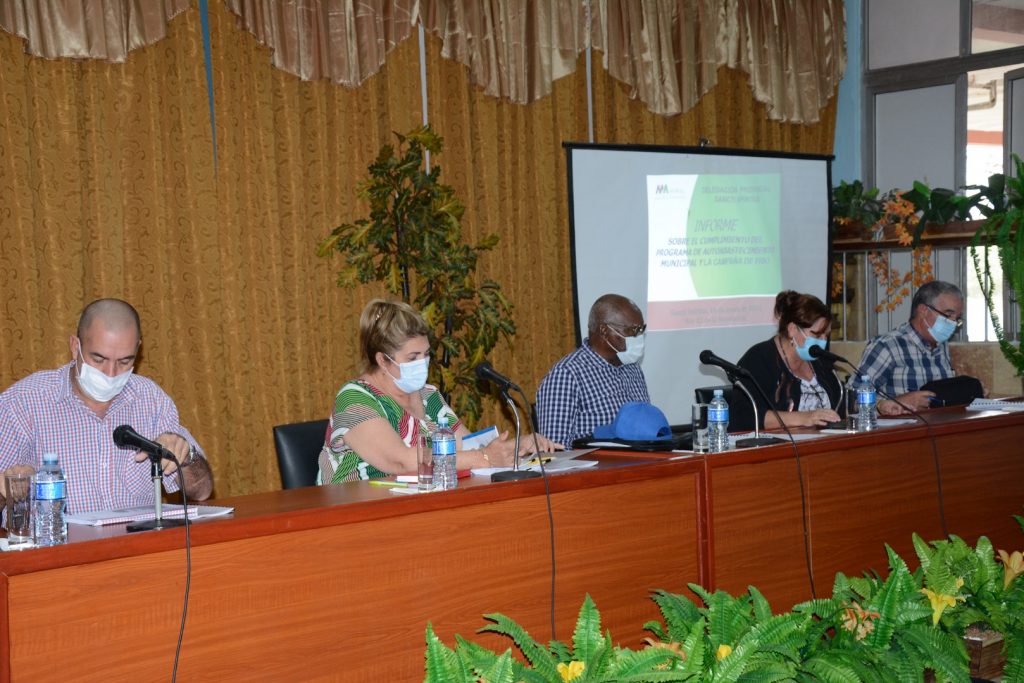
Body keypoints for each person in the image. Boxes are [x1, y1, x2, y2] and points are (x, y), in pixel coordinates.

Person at [0, 298, 213, 514]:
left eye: (124, 361)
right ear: (75, 347)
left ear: (138, 350)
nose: (110, 373)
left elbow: (202, 491)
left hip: (139, 543)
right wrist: (9, 489)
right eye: (99, 359)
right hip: (60, 545)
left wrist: (186, 456)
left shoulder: (151, 399)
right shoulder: (23, 403)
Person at [319, 299, 559, 484]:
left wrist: (519, 447)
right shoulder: (353, 399)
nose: (422, 363)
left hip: (418, 507)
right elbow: (401, 461)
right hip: (356, 515)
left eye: (426, 354)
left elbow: (467, 446)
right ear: (383, 360)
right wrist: (485, 457)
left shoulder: (428, 394)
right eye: (412, 357)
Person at [536, 293, 650, 447]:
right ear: (604, 330)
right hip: (598, 469)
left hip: (642, 465)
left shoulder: (632, 367)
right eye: (633, 330)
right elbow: (554, 450)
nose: (639, 337)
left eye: (642, 330)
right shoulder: (567, 374)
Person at [731, 291, 842, 431]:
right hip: (778, 448)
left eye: (826, 335)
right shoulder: (758, 359)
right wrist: (804, 418)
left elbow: (842, 405)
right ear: (792, 329)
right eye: (817, 334)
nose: (823, 341)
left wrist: (873, 405)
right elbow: (743, 417)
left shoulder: (820, 361)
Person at [858, 280, 962, 414]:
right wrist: (890, 404)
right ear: (924, 310)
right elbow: (854, 398)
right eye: (948, 315)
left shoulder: (941, 346)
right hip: (899, 432)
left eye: (957, 318)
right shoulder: (888, 345)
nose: (953, 323)